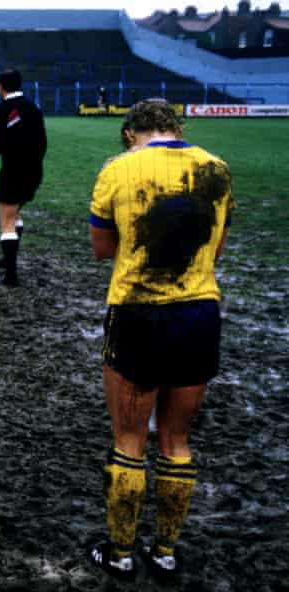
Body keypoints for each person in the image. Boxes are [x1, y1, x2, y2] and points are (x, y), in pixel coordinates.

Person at [87, 99, 234, 581]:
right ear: (178, 126)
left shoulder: (118, 170)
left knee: (129, 438)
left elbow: (101, 248)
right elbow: (217, 247)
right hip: (198, 313)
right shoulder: (217, 169)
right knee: (176, 440)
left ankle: (121, 552)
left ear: (131, 133)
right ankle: (166, 550)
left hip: (137, 313)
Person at [0, 68, 47, 286]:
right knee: (15, 213)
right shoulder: (34, 108)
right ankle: (7, 260)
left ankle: (11, 275)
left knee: (6, 221)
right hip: (34, 172)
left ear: (1, 86)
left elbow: (0, 141)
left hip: (12, 172)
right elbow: (42, 143)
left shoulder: (2, 108)